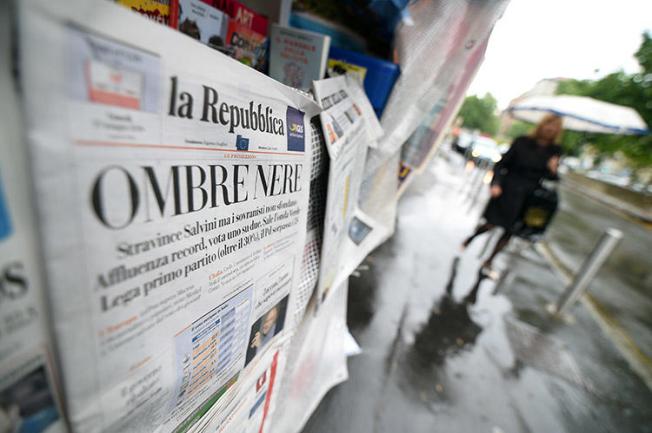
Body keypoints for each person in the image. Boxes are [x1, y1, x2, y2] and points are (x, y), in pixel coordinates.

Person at [461, 114, 563, 270]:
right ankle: (471, 238)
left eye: (555, 126)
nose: (550, 128)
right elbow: (502, 164)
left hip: (529, 196)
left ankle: (490, 260)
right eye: (549, 124)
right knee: (490, 224)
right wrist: (496, 183)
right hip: (507, 189)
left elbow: (552, 179)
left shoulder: (555, 151)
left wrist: (553, 169)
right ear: (542, 125)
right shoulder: (522, 141)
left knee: (511, 231)